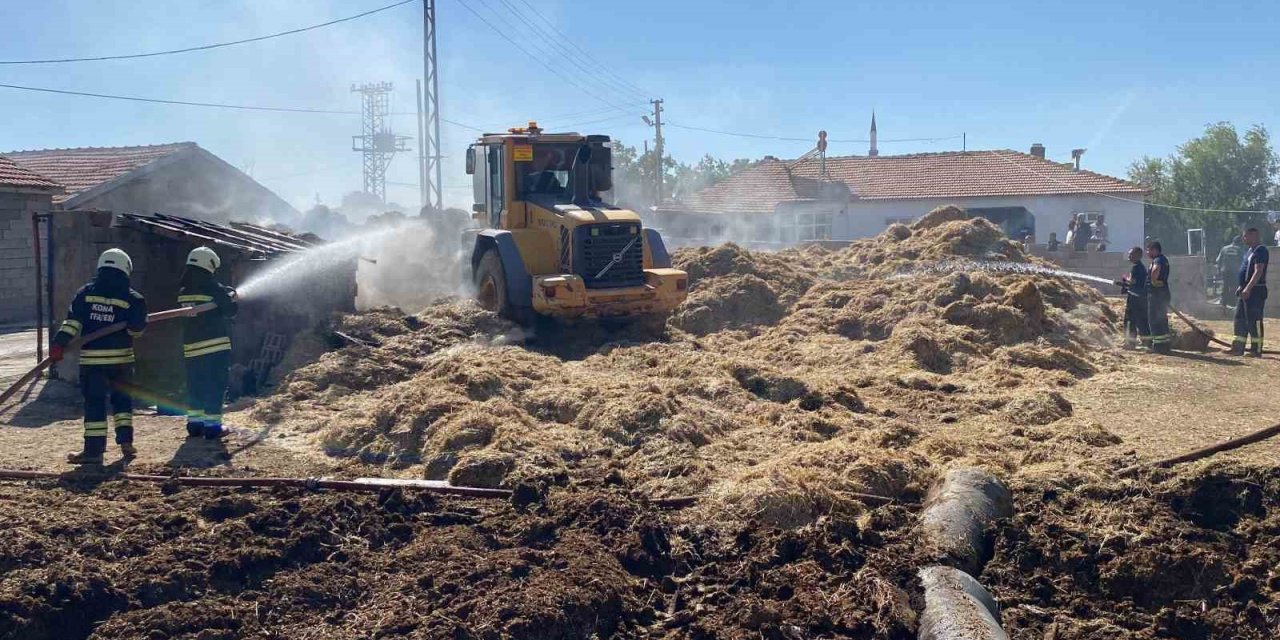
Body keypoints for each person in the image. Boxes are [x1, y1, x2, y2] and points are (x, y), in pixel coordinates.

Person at [50, 249, 148, 464]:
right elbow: (136, 332)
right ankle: (126, 442)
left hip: (92, 363)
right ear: (126, 268)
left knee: (95, 404)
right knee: (122, 401)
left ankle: (93, 452)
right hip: (121, 361)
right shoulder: (133, 298)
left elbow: (72, 324)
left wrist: (58, 344)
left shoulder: (85, 293)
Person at [178, 247, 239, 439]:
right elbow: (230, 311)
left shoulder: (183, 289)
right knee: (215, 385)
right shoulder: (213, 287)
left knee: (196, 385)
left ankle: (194, 425)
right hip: (215, 346)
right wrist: (230, 297)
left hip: (191, 347)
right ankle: (212, 428)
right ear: (209, 265)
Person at [1230, 228, 1268, 357]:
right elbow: (1246, 271)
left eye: (1245, 236)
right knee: (1239, 318)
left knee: (1254, 320)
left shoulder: (1261, 250)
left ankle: (1256, 350)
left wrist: (1248, 288)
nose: (1244, 239)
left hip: (1255, 291)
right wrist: (1241, 287)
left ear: (1254, 235)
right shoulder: (1249, 251)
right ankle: (1237, 348)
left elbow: (1258, 271)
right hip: (1245, 290)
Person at [1114, 247, 1150, 349]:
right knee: (1140, 321)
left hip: (1134, 299)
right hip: (1139, 298)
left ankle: (1130, 343)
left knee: (1129, 321)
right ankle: (1146, 343)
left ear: (1138, 256)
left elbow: (1133, 281)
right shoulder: (1141, 267)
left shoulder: (1136, 268)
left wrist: (1125, 279)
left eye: (1131, 255)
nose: (1129, 257)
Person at [1146, 241, 1172, 354]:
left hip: (1157, 294)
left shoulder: (1157, 260)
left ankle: (1158, 346)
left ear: (1155, 250)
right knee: (1162, 319)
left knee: (1155, 320)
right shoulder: (1164, 259)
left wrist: (1153, 281)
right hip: (1163, 293)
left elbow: (1155, 270)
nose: (1147, 252)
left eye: (1149, 250)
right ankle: (1165, 344)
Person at [1215, 235, 1244, 309]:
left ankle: (1223, 303)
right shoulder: (1240, 250)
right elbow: (1243, 261)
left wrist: (1218, 270)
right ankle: (1233, 303)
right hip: (1235, 272)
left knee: (1225, 286)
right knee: (1235, 287)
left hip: (1225, 271)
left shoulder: (1224, 248)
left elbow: (1218, 260)